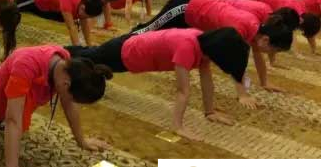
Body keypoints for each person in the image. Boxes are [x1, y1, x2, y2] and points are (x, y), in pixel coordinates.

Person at [68, 28, 249, 141]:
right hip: (124, 53)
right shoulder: (187, 48)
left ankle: (60, 55)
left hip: (131, 50)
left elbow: (207, 80)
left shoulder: (204, 44)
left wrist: (210, 112)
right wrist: (178, 127)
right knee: (83, 56)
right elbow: (182, 91)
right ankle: (57, 55)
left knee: (87, 55)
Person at [129, 0, 293, 94]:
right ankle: (123, 42)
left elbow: (254, 56)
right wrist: (242, 95)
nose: (271, 54)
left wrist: (264, 82)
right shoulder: (241, 29)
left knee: (159, 36)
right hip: (186, 6)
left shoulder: (256, 30)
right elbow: (235, 64)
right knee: (148, 30)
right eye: (273, 51)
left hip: (196, 17)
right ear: (266, 40)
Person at [242, 0, 321, 54]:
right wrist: (297, 53)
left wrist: (313, 50)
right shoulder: (291, 14)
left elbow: (308, 33)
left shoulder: (301, 11)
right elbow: (281, 33)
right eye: (303, 31)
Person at [16, 0, 104, 46]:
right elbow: (71, 28)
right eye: (86, 16)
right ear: (83, 7)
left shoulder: (86, 0)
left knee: (69, 18)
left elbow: (85, 25)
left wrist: (89, 45)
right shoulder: (67, 1)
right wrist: (77, 49)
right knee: (14, 8)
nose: (84, 18)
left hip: (48, 2)